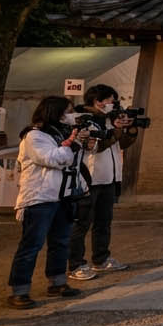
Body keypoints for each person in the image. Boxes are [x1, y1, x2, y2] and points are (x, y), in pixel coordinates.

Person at [7, 96, 90, 309]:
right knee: (31, 245)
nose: (71, 116)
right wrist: (73, 143)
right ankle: (20, 290)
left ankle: (57, 282)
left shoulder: (62, 135)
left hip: (63, 196)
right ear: (55, 112)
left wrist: (78, 142)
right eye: (68, 111)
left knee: (61, 241)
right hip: (39, 198)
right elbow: (52, 159)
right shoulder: (34, 136)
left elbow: (73, 161)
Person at [67, 84, 139, 281]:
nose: (113, 104)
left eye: (114, 101)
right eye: (110, 100)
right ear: (97, 101)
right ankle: (76, 264)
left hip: (108, 178)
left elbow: (121, 144)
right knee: (82, 224)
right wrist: (116, 129)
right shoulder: (85, 120)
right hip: (90, 179)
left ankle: (101, 259)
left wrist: (130, 129)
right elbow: (96, 148)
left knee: (103, 222)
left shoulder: (108, 120)